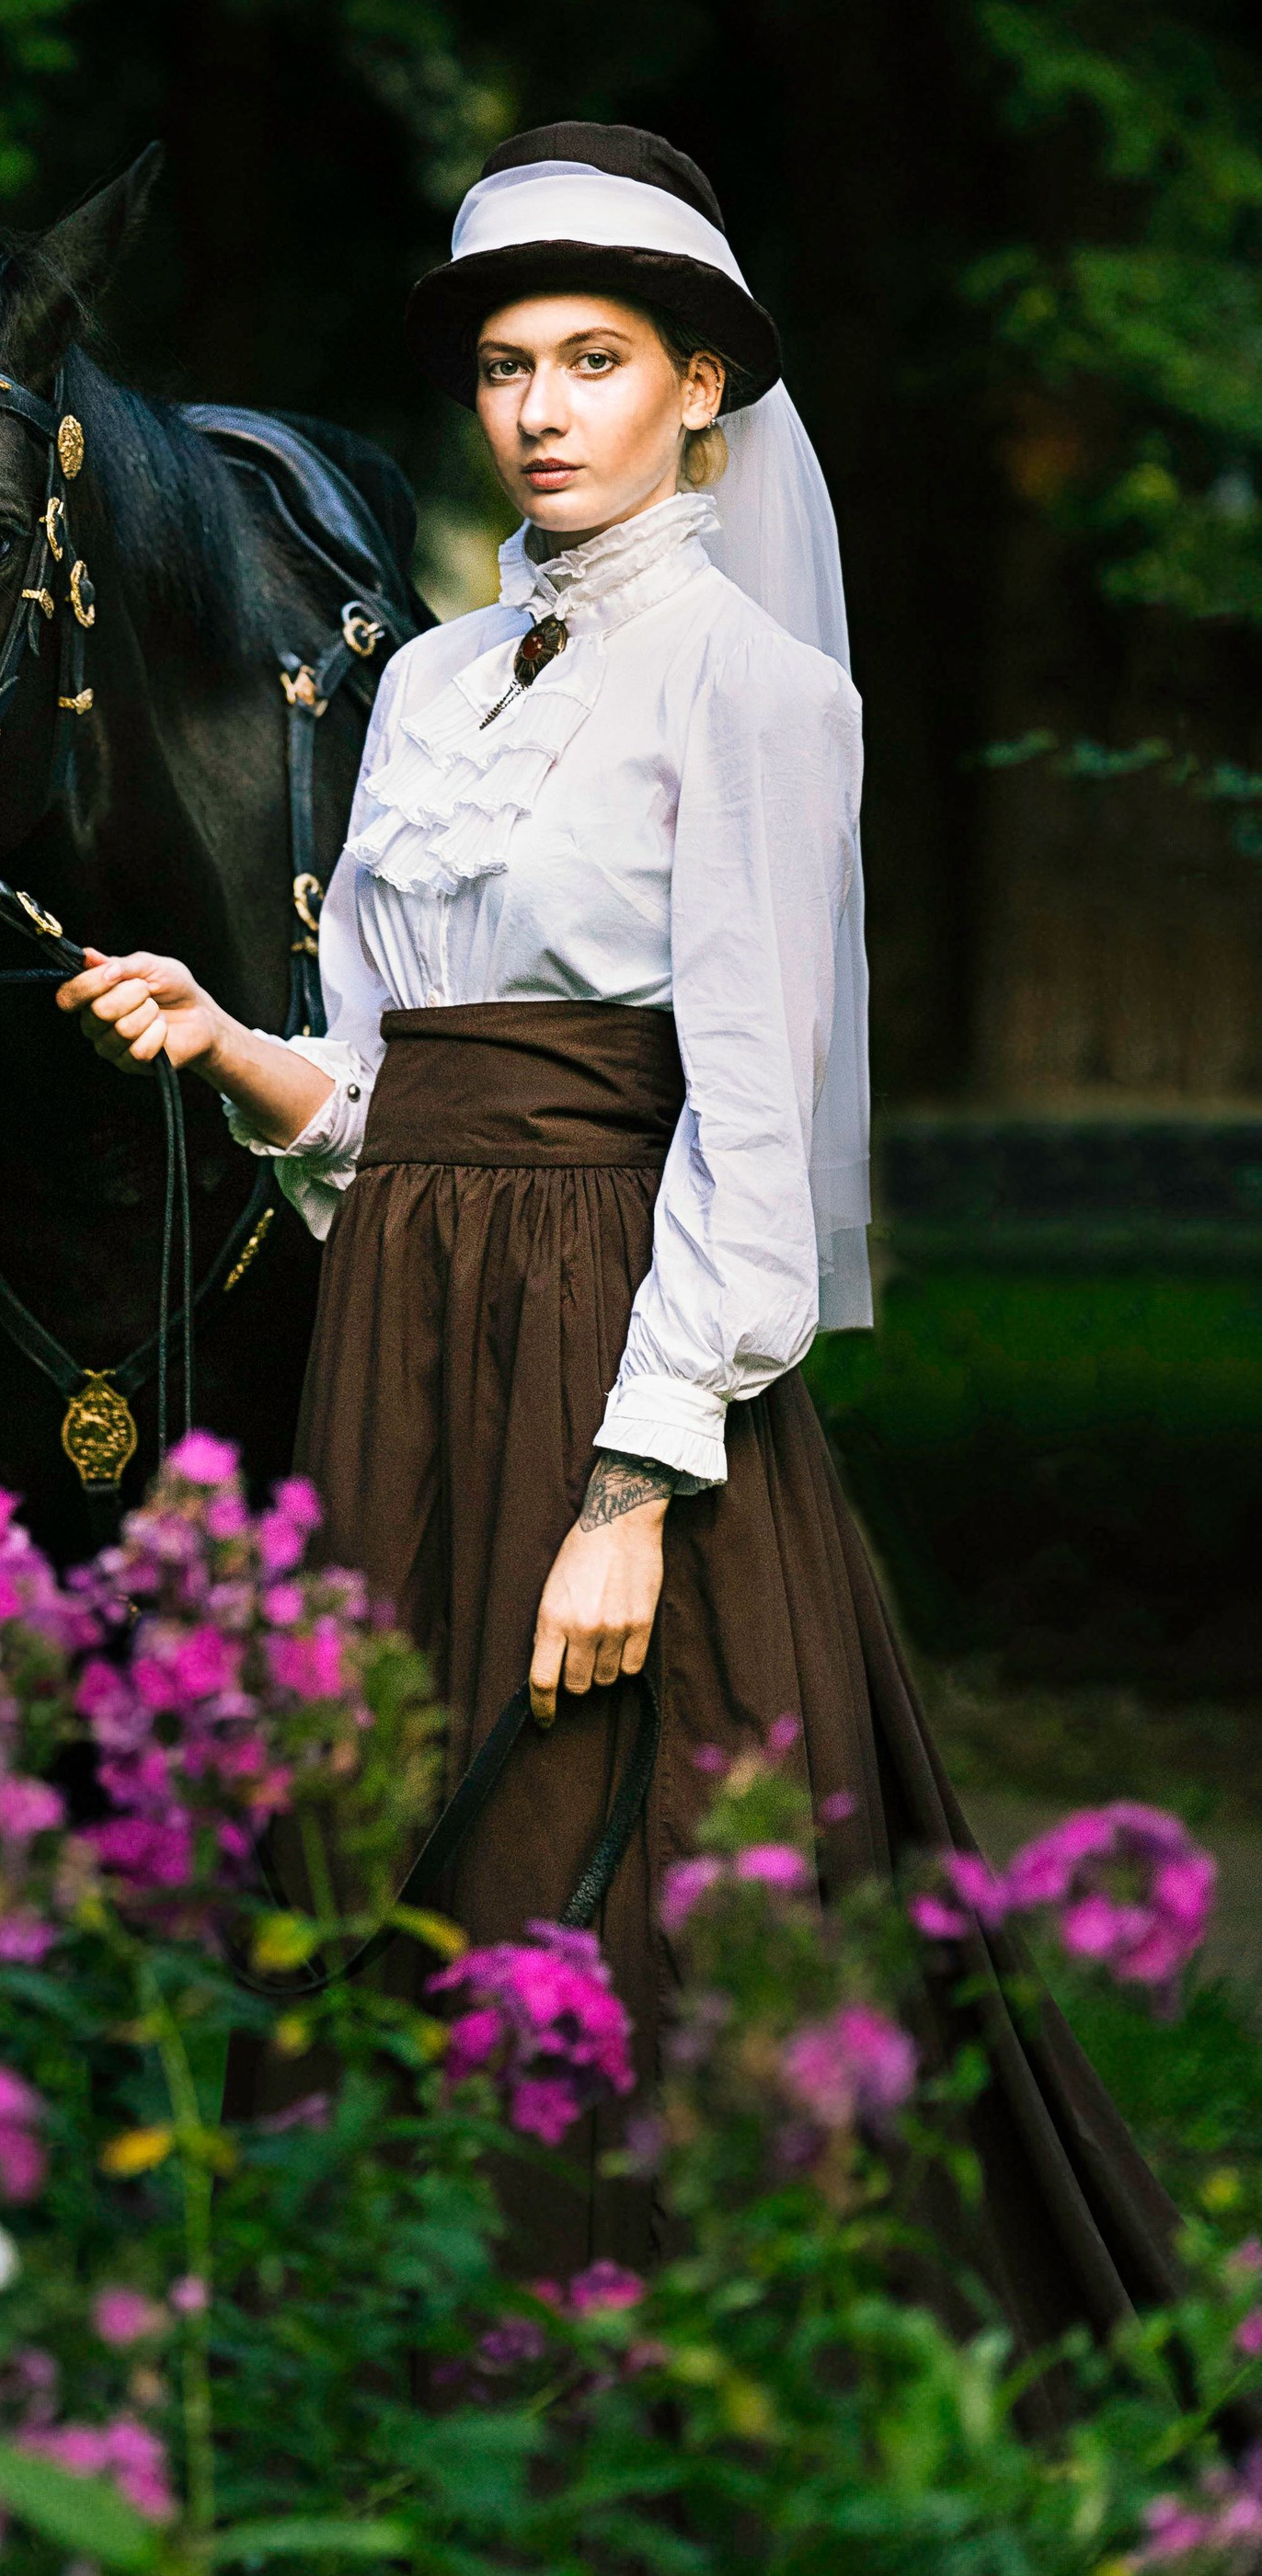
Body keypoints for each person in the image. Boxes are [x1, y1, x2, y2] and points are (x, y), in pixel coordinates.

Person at [58, 120, 1185, 2345]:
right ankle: (389, 2412)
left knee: (609, 1897)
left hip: (618, 1341)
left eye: (593, 358)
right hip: (397, 1349)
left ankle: (644, 2462)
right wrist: (224, 1040)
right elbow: (383, 1102)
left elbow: (752, 1133)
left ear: (695, 391)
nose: (542, 407)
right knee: (373, 1865)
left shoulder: (752, 690)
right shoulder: (422, 688)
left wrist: (627, 1493)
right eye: (503, 365)